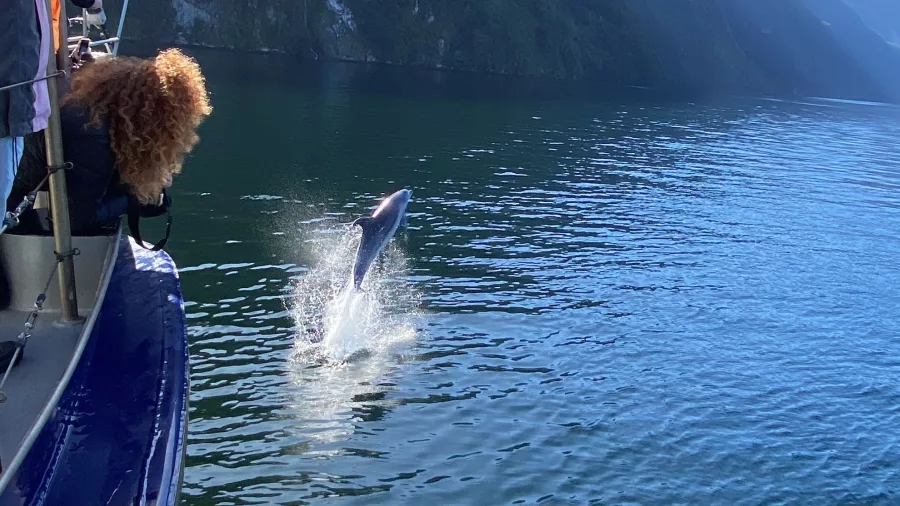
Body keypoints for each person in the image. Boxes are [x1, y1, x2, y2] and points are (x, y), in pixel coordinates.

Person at [7, 47, 213, 236]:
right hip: (8, 195)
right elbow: (77, 220)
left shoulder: (95, 111)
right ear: (156, 120)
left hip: (14, 184)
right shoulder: (93, 137)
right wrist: (137, 197)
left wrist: (147, 187)